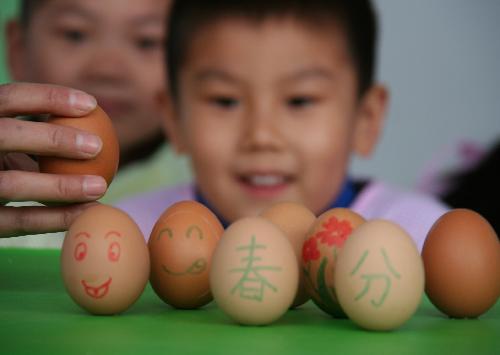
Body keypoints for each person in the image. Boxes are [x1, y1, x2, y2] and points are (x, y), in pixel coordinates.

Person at [116, 0, 449, 252]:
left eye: (299, 101)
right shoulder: (131, 240)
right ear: (174, 120)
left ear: (365, 120)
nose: (261, 136)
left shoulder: (422, 242)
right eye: (225, 100)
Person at [0, 0, 190, 241]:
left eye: (147, 41)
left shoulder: (212, 181)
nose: (107, 69)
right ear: (19, 50)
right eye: (75, 34)